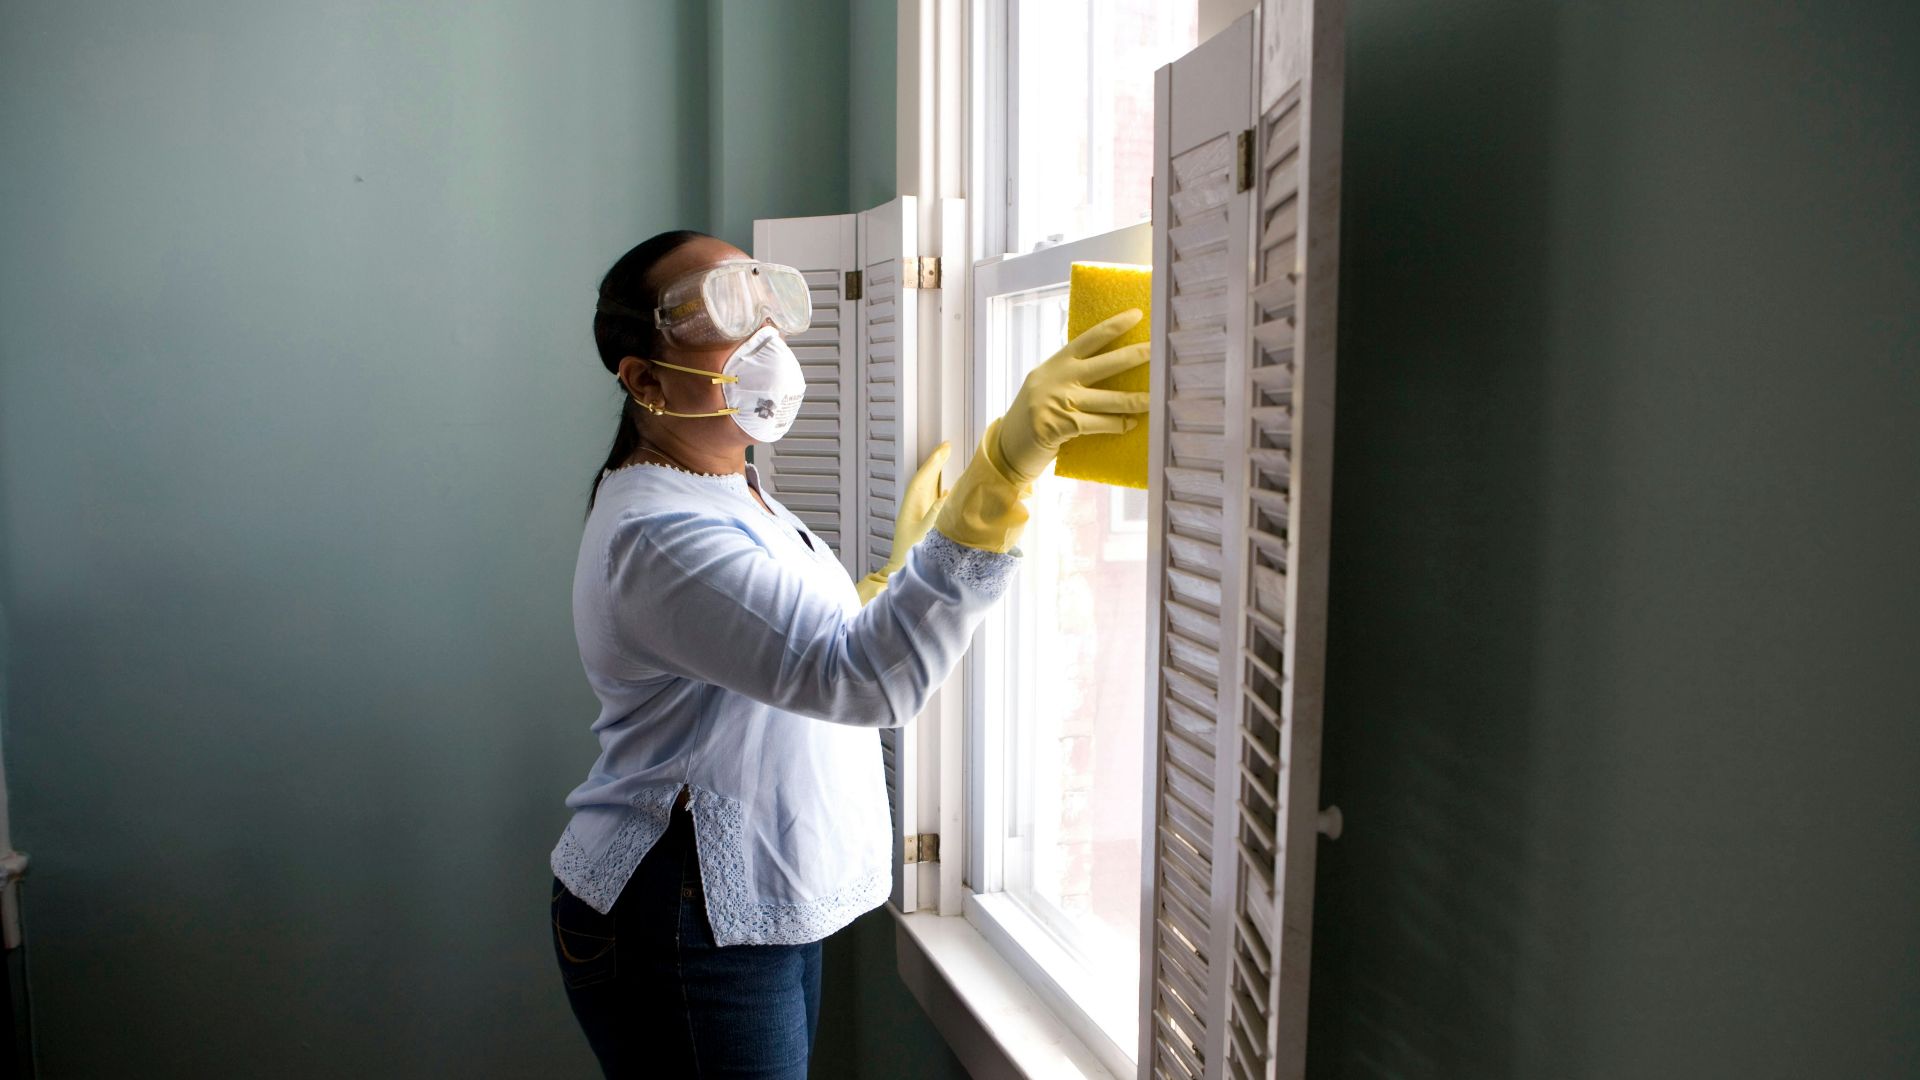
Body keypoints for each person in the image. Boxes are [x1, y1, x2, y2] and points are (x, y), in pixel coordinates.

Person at [549, 229, 1148, 1078]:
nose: (764, 336)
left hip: (740, 898)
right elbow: (863, 682)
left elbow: (776, 647)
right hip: (684, 912)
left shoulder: (727, 486)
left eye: (765, 302)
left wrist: (896, 576)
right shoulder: (658, 532)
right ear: (644, 379)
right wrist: (1000, 477)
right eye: (722, 311)